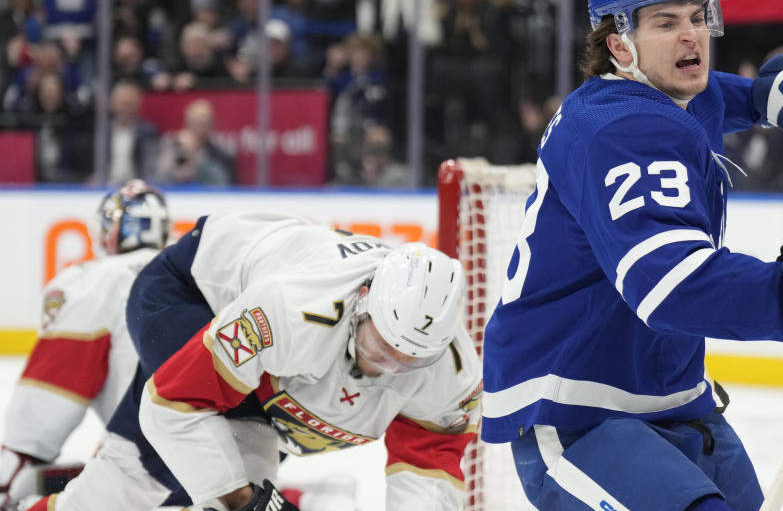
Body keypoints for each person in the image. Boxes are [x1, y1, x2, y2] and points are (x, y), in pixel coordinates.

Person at [479, 0, 783, 511]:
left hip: (676, 401)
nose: (692, 36)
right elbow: (669, 285)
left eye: (697, 16)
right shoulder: (618, 132)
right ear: (619, 44)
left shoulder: (668, 90)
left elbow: (710, 97)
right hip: (578, 412)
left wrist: (769, 101)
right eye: (666, 22)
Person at [26, 214, 482, 511]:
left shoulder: (453, 375)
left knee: (211, 476)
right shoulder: (289, 310)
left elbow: (426, 471)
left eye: (409, 364)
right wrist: (244, 501)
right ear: (362, 303)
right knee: (154, 475)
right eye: (380, 348)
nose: (386, 368)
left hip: (269, 372)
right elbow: (174, 407)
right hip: (191, 293)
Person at [0, 179, 170, 509]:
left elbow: (52, 390)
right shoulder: (192, 271)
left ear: (110, 229)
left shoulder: (94, 278)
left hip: (150, 470)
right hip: (228, 459)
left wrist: (12, 463)